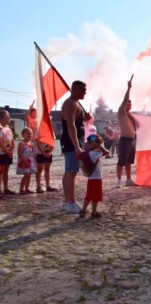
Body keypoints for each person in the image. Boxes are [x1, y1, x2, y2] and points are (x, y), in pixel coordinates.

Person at [60, 80, 92, 213]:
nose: (85, 92)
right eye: (83, 89)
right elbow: (71, 125)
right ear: (75, 89)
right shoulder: (70, 103)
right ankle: (71, 203)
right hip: (71, 141)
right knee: (71, 171)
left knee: (70, 171)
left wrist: (85, 118)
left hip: (73, 141)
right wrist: (76, 146)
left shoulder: (75, 103)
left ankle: (67, 201)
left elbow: (77, 123)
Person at [26, 103, 57, 193]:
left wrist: (50, 152)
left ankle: (48, 186)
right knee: (39, 170)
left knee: (47, 169)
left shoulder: (51, 131)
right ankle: (38, 186)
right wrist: (43, 152)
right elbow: (38, 143)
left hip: (48, 153)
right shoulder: (37, 131)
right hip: (40, 153)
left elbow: (53, 142)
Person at [116, 75, 140, 188]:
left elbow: (139, 126)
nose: (129, 105)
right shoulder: (121, 112)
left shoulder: (131, 116)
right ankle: (118, 180)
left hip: (132, 139)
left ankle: (128, 179)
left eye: (130, 104)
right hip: (125, 139)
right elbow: (125, 100)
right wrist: (129, 88)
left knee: (129, 161)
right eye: (127, 104)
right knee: (121, 161)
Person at [80, 134, 109, 219]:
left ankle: (83, 210)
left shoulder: (88, 153)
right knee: (95, 196)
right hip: (97, 178)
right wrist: (100, 147)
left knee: (88, 195)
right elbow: (107, 152)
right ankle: (94, 212)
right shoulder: (95, 154)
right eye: (99, 144)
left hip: (90, 178)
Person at [16, 128, 37, 194]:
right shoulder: (21, 143)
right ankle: (21, 189)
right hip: (24, 161)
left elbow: (33, 153)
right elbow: (19, 153)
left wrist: (34, 160)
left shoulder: (31, 144)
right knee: (26, 175)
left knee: (29, 175)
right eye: (27, 133)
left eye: (30, 134)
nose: (29, 135)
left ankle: (26, 188)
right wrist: (25, 161)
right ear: (23, 135)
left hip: (31, 162)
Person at [0, 111, 16, 195]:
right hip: (2, 153)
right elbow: (0, 142)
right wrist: (6, 151)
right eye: (6, 116)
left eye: (8, 116)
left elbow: (12, 141)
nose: (8, 118)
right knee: (0, 172)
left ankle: (6, 188)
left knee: (6, 171)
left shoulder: (9, 129)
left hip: (8, 153)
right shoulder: (0, 128)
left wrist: (12, 151)